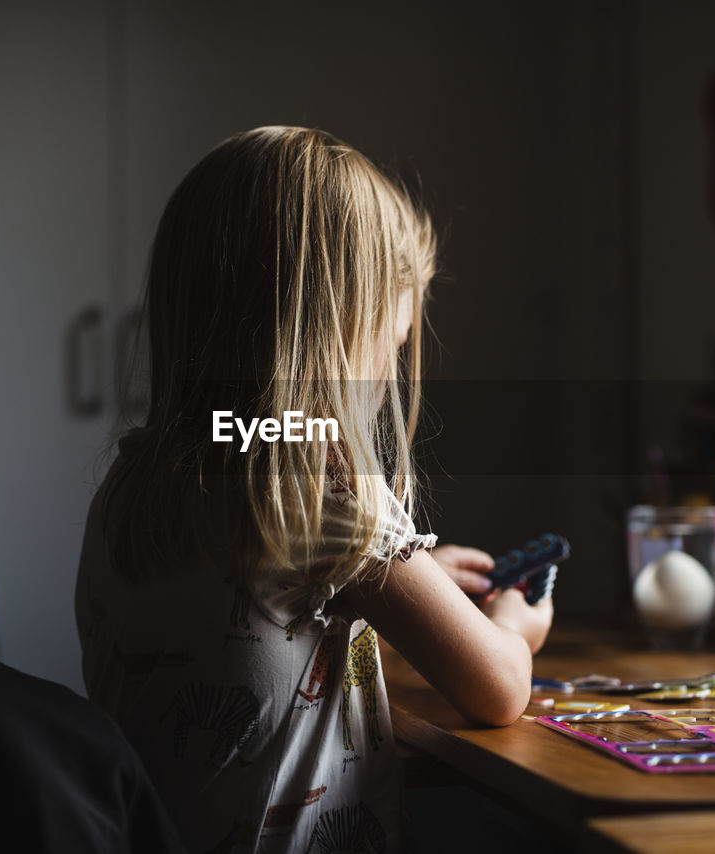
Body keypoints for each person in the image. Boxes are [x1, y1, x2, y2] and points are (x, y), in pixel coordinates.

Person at [75, 126, 553, 852]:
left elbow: (267, 611)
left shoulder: (135, 481)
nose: (399, 346)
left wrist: (421, 578)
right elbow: (498, 690)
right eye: (397, 322)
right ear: (342, 326)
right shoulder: (323, 490)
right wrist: (516, 627)